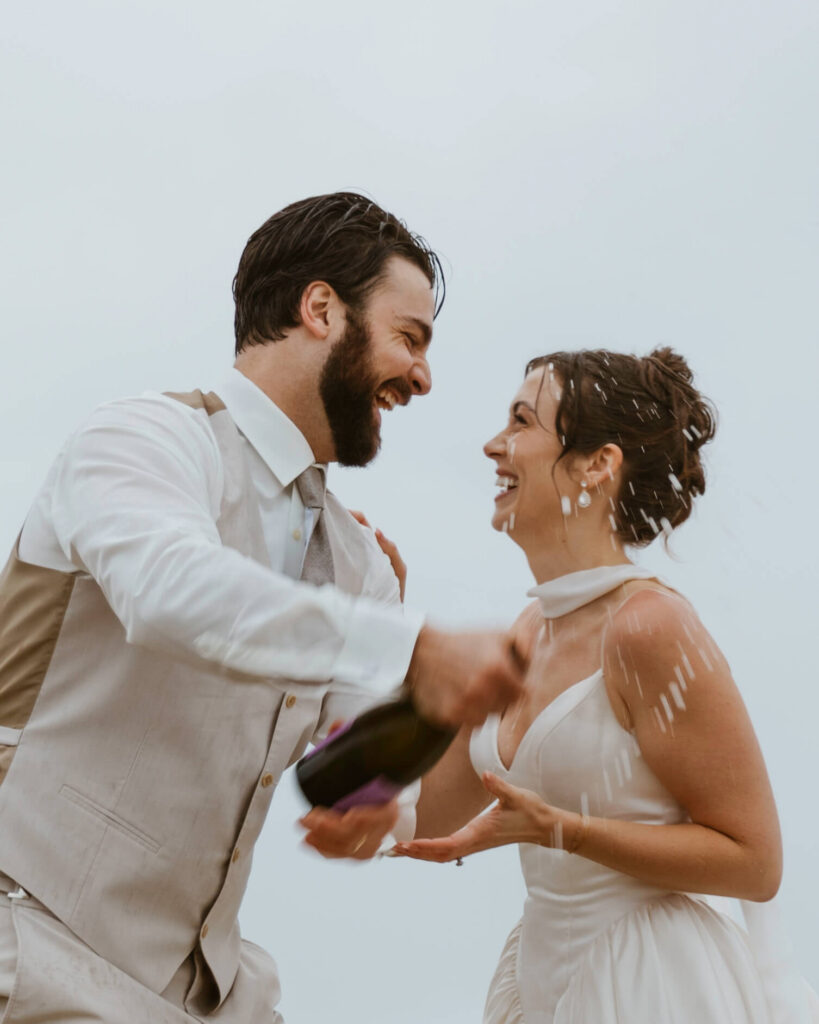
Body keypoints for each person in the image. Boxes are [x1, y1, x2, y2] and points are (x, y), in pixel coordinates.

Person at [0, 192, 526, 1023]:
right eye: (409, 338)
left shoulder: (362, 569)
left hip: (211, 991)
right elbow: (170, 592)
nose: (423, 376)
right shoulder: (141, 439)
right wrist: (414, 647)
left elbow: (357, 760)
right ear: (321, 309)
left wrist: (375, 805)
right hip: (30, 942)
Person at [394, 348, 819, 1022]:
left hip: (651, 987)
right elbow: (417, 811)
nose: (492, 445)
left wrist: (560, 830)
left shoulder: (650, 629)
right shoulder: (528, 629)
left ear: (597, 464)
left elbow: (754, 861)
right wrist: (382, 634)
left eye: (521, 421)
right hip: (541, 980)